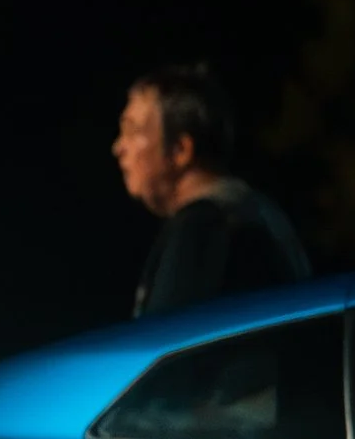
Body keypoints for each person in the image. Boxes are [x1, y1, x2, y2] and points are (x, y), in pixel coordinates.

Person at [114, 65, 309, 317]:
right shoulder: (255, 212)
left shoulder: (205, 225)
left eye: (133, 130)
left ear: (180, 151)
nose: (119, 147)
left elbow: (168, 343)